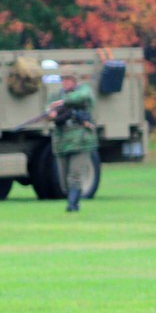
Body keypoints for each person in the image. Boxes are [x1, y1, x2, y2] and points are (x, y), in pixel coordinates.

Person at [48, 73, 97, 212]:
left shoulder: (83, 91)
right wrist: (51, 113)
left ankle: (72, 205)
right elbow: (49, 108)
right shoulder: (56, 95)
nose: (65, 82)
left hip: (80, 140)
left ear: (75, 81)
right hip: (62, 141)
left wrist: (63, 102)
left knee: (74, 175)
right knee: (63, 180)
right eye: (63, 79)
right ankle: (71, 200)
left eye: (68, 79)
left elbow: (82, 97)